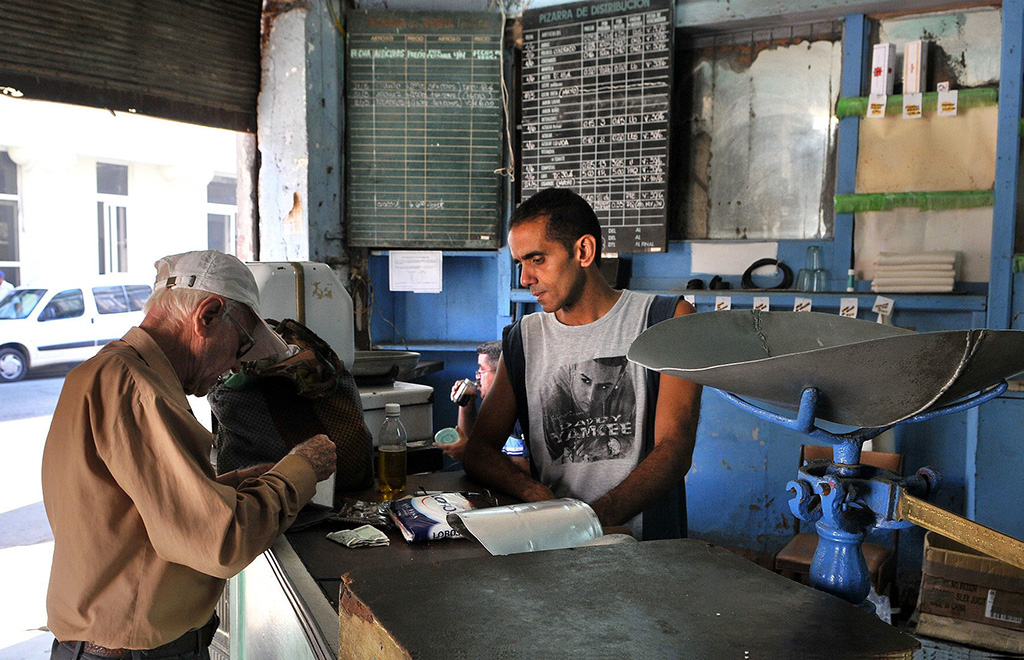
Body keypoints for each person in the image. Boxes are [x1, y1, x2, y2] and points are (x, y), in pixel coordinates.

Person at [42, 250, 337, 660]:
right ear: (208, 315)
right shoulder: (138, 390)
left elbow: (132, 512)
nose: (236, 366)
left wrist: (228, 486)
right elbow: (222, 542)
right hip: (129, 652)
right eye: (242, 346)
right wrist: (302, 468)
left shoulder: (110, 372)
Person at [462, 188, 702, 540]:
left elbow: (675, 448)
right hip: (556, 545)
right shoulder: (524, 338)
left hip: (645, 549)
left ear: (584, 251)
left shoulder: (666, 320)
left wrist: (588, 520)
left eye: (537, 259)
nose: (525, 278)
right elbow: (479, 451)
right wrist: (535, 494)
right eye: (520, 264)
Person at [439, 340, 529, 472]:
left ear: (501, 373)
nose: (477, 377)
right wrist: (465, 405)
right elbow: (472, 444)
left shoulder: (525, 411)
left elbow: (531, 469)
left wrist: (473, 455)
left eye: (482, 370)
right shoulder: (497, 407)